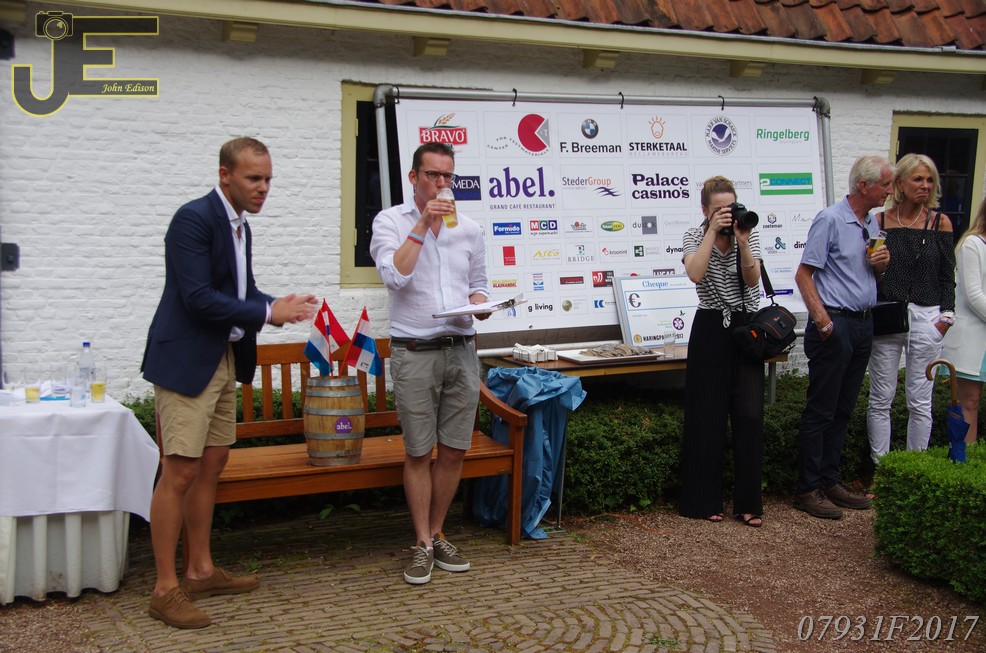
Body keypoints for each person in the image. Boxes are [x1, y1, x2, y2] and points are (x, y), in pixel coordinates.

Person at [141, 137, 317, 628]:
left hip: (222, 357)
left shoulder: (240, 226)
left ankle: (200, 571)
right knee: (179, 471)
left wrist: (276, 305)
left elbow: (240, 291)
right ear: (225, 175)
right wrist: (266, 313)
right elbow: (197, 297)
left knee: (211, 465)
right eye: (253, 178)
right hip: (186, 361)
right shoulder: (193, 219)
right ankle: (164, 589)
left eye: (268, 179)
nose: (264, 188)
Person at [369, 142, 491, 585]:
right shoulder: (390, 221)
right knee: (419, 451)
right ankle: (421, 542)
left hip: (461, 347)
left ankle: (438, 533)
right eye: (433, 175)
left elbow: (478, 283)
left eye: (448, 176)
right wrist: (423, 221)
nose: (442, 184)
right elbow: (394, 276)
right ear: (414, 177)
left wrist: (482, 303)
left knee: (454, 449)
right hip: (415, 351)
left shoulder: (469, 229)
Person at [794, 154, 892, 520]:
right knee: (821, 410)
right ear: (864, 185)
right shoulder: (830, 219)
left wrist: (880, 268)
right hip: (835, 324)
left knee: (843, 408)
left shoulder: (871, 222)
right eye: (885, 184)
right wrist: (823, 322)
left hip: (863, 323)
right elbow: (804, 274)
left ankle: (829, 481)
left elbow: (868, 276)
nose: (890, 190)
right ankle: (807, 489)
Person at [679, 176, 765, 527]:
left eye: (730, 207)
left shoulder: (748, 232)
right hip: (710, 326)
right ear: (705, 210)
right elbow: (695, 274)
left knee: (750, 414)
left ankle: (749, 503)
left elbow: (752, 280)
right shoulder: (693, 235)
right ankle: (702, 501)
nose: (727, 215)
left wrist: (742, 242)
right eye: (719, 210)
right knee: (706, 415)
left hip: (745, 326)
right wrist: (712, 232)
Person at [866, 154, 955, 462]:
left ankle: (913, 467)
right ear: (900, 183)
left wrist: (946, 318)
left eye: (930, 180)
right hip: (888, 314)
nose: (925, 185)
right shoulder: (878, 222)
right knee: (881, 398)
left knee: (920, 402)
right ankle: (881, 468)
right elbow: (869, 272)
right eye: (918, 179)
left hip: (927, 317)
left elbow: (947, 276)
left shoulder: (940, 223)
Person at [941, 198, 986, 444]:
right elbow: (973, 295)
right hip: (974, 340)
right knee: (970, 401)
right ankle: (963, 459)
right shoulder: (972, 244)